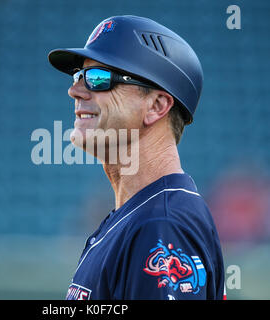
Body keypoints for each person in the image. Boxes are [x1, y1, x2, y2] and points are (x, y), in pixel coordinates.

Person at [48, 15, 225, 300]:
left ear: (156, 105)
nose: (75, 90)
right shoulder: (139, 215)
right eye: (79, 76)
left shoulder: (162, 225)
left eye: (98, 79)